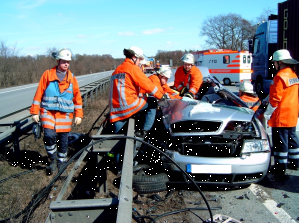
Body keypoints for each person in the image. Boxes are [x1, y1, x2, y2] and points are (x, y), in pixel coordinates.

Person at [30, 48, 83, 175]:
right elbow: (39, 94)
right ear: (58, 61)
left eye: (68, 62)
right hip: (48, 112)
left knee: (63, 141)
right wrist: (35, 112)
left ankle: (61, 163)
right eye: (64, 61)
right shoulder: (48, 75)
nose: (66, 64)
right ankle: (52, 159)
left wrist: (79, 114)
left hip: (64, 115)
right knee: (49, 136)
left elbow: (77, 98)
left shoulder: (72, 78)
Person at [108, 46, 166, 138]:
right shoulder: (132, 68)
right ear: (134, 58)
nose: (139, 63)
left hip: (115, 109)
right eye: (139, 60)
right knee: (152, 102)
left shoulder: (117, 70)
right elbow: (147, 85)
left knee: (118, 140)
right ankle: (146, 131)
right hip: (128, 105)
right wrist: (161, 96)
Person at [264, 49, 299, 174]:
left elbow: (275, 99)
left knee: (280, 141)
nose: (274, 64)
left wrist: (267, 114)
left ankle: (280, 166)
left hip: (281, 114)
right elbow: (285, 92)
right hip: (292, 112)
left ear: (280, 62)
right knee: (292, 138)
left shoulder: (279, 76)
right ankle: (295, 162)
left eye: (275, 62)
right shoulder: (293, 74)